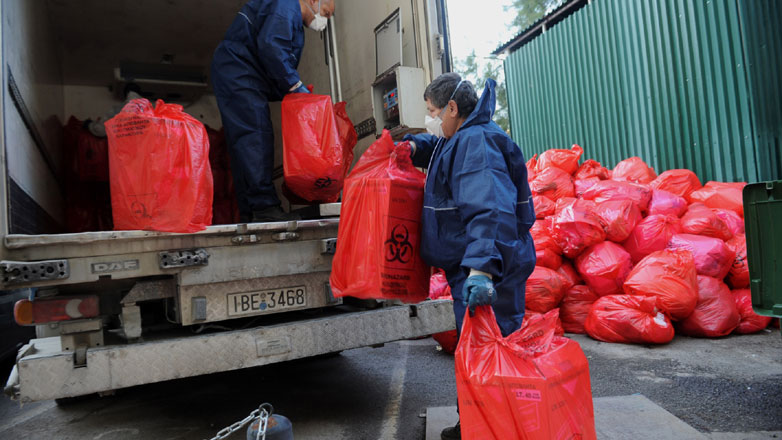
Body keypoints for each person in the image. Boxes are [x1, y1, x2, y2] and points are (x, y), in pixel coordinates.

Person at [404, 73, 536, 440]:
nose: (430, 119)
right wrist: (414, 147)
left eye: (432, 112)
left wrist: (480, 270)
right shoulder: (464, 134)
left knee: (491, 352)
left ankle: (490, 429)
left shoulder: (476, 142)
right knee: (482, 352)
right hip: (481, 263)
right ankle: (481, 425)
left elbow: (488, 208)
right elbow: (441, 150)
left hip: (489, 268)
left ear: (452, 108)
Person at [211, 0, 335, 223]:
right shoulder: (287, 4)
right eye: (326, 13)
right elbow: (272, 46)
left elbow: (272, 59)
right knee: (254, 136)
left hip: (236, 72)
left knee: (242, 146)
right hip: (240, 72)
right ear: (314, 1)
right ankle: (264, 206)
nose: (324, 20)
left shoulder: (290, 16)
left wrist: (293, 91)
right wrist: (295, 85)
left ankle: (250, 211)